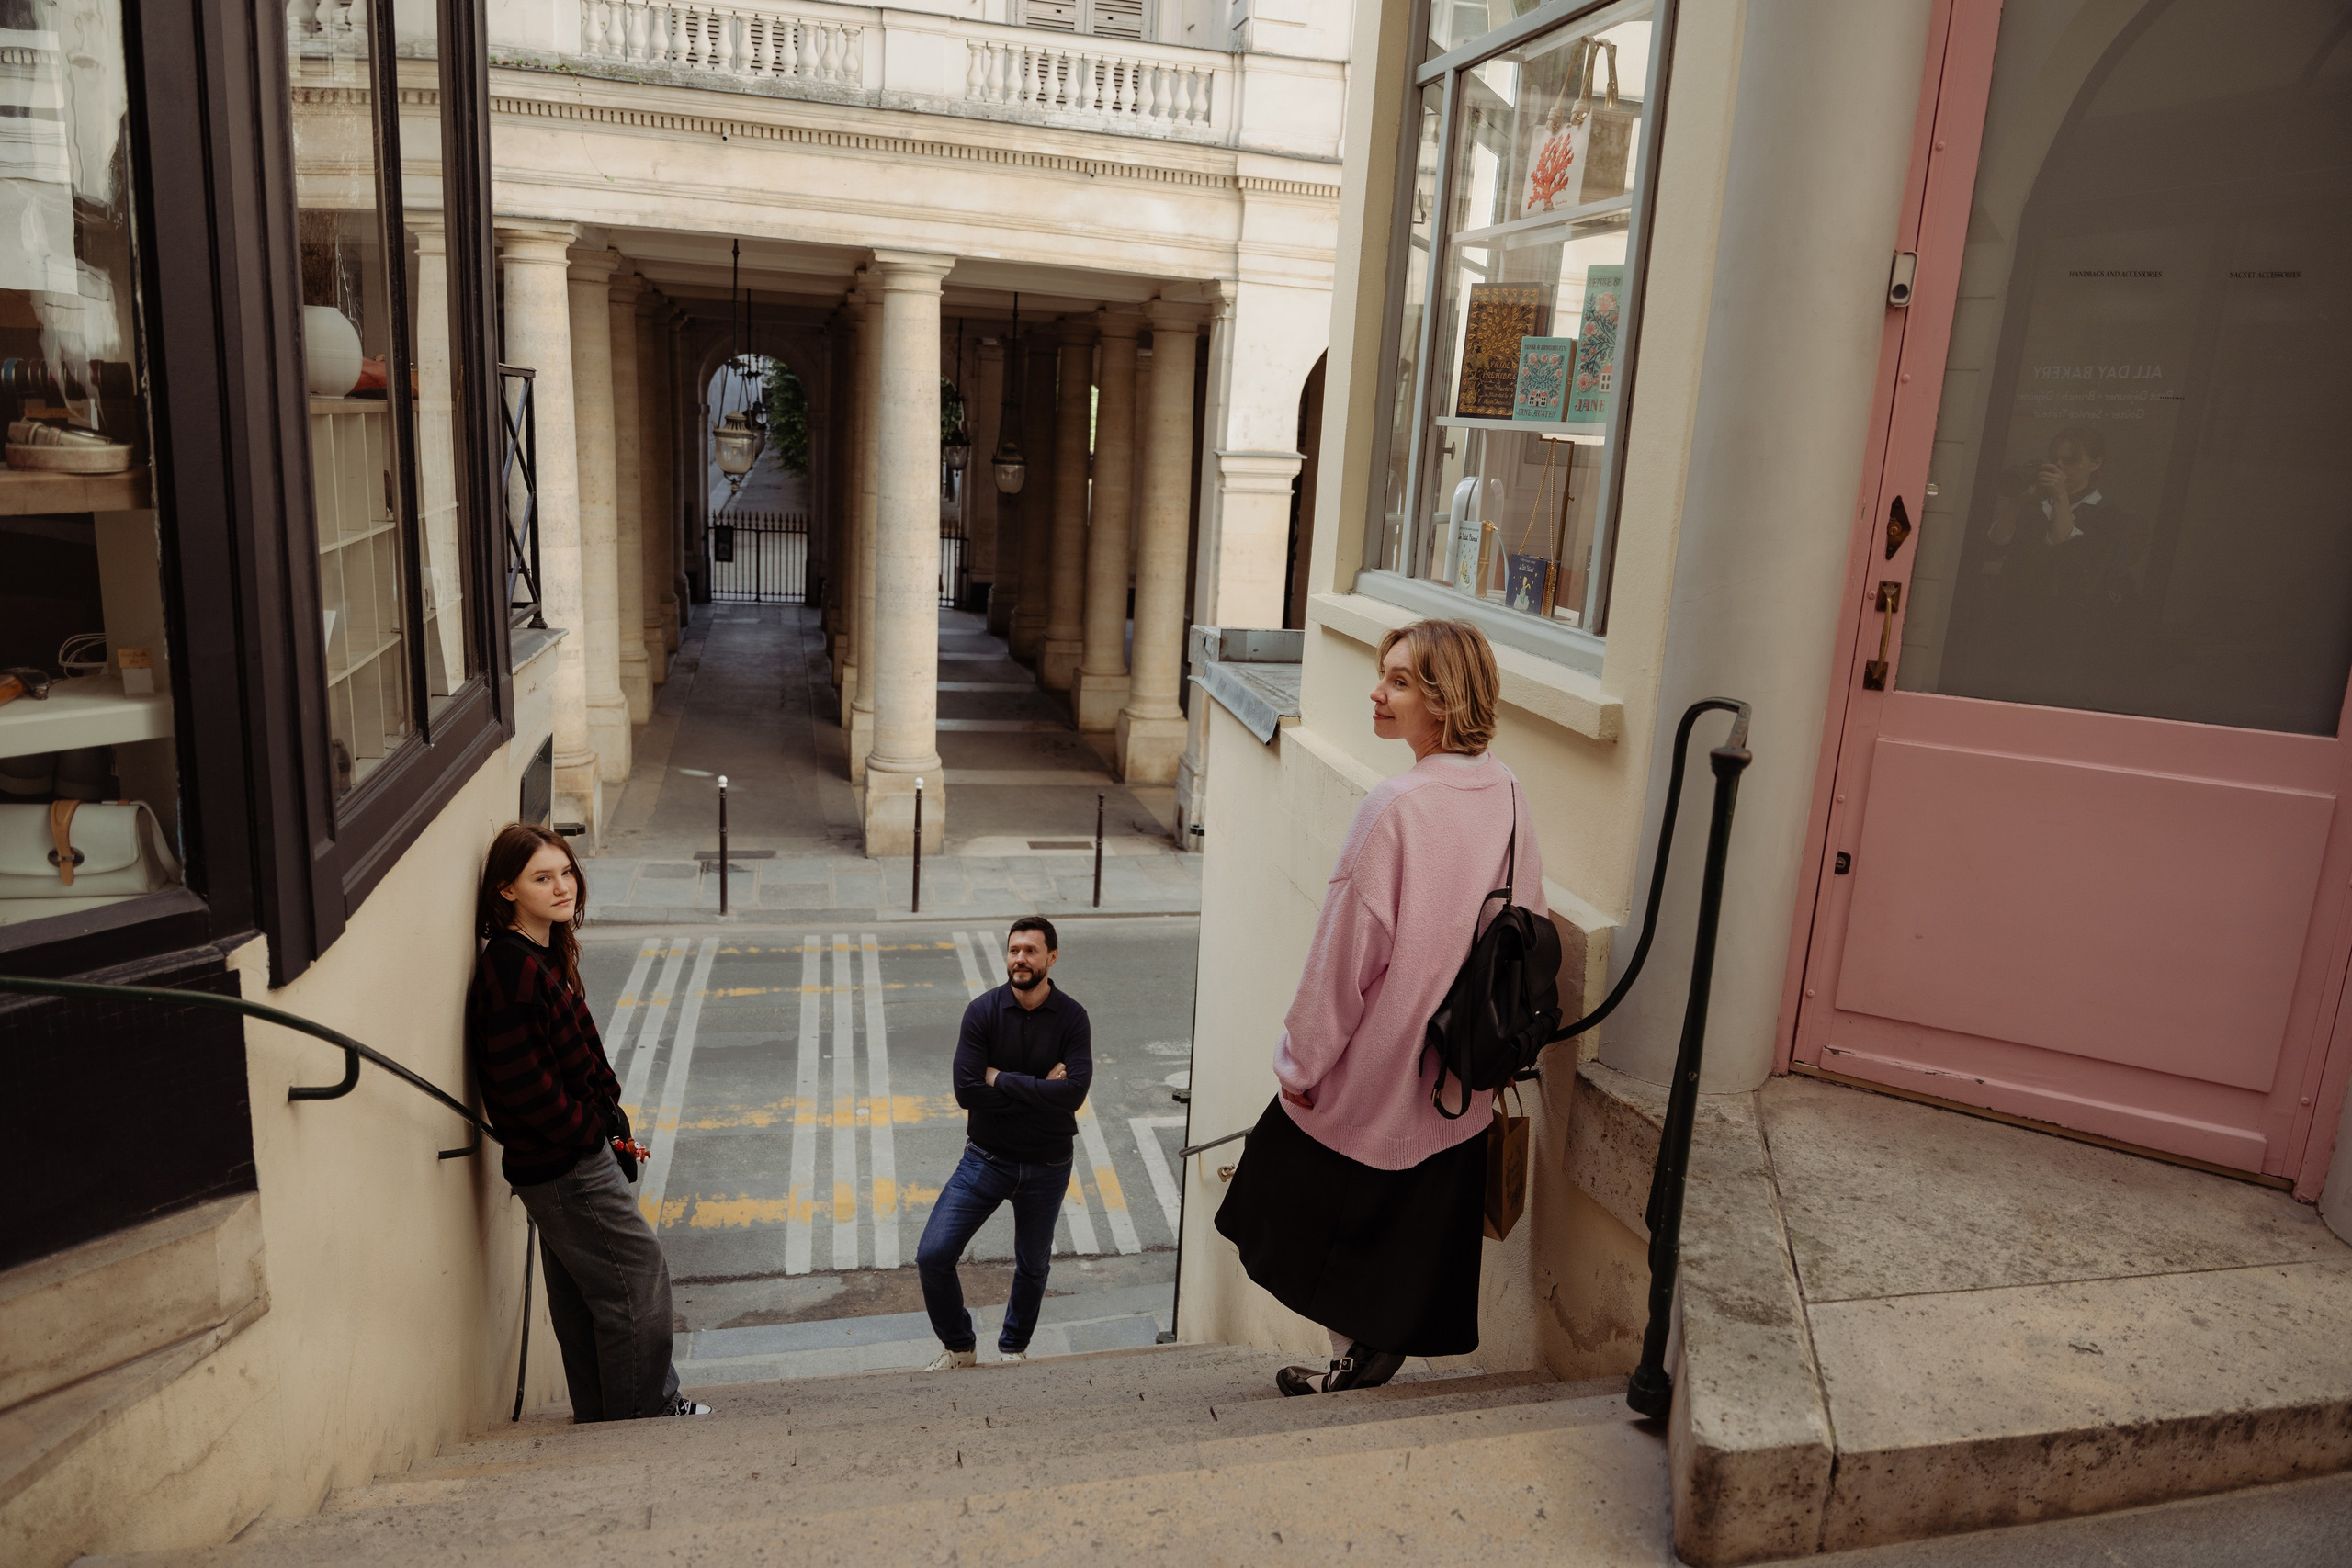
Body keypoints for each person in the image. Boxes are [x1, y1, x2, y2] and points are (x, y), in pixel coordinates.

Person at [1215, 618, 1544, 1395]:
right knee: (1408, 1215)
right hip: (1460, 1069)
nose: (1377, 691)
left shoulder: (1395, 806)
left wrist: (1301, 1061)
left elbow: (1345, 958)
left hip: (1379, 1059)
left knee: (1284, 1200)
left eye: (1398, 680)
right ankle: (1363, 1355)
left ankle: (1355, 1357)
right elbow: (1524, 921)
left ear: (1443, 698)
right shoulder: (1514, 795)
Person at [465, 822, 709, 1421]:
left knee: (585, 1293)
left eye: (566, 871)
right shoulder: (512, 967)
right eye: (541, 878)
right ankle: (643, 1413)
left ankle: (607, 1415)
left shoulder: (539, 954)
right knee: (638, 1277)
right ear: (506, 892)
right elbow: (523, 1086)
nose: (561, 886)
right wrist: (588, 1134)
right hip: (564, 1163)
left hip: (560, 1157)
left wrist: (608, 1129)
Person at [916, 916, 1092, 1370]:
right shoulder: (982, 1012)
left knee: (1033, 1264)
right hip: (985, 1161)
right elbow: (966, 1093)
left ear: (1052, 958)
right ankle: (960, 1347)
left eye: (1031, 951)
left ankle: (1013, 1346)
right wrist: (1040, 1091)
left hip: (1048, 1166)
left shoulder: (1073, 1018)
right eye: (1014, 950)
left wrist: (1002, 1080)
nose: (1020, 959)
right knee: (933, 1255)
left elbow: (1072, 1095)